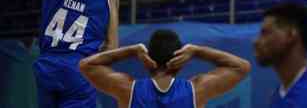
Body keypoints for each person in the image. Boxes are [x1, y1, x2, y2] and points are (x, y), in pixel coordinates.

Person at [79, 29, 251, 108]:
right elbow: (241, 67)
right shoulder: (196, 90)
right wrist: (197, 51)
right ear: (180, 60)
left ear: (148, 59)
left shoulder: (127, 90)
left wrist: (132, 50)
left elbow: (87, 65)